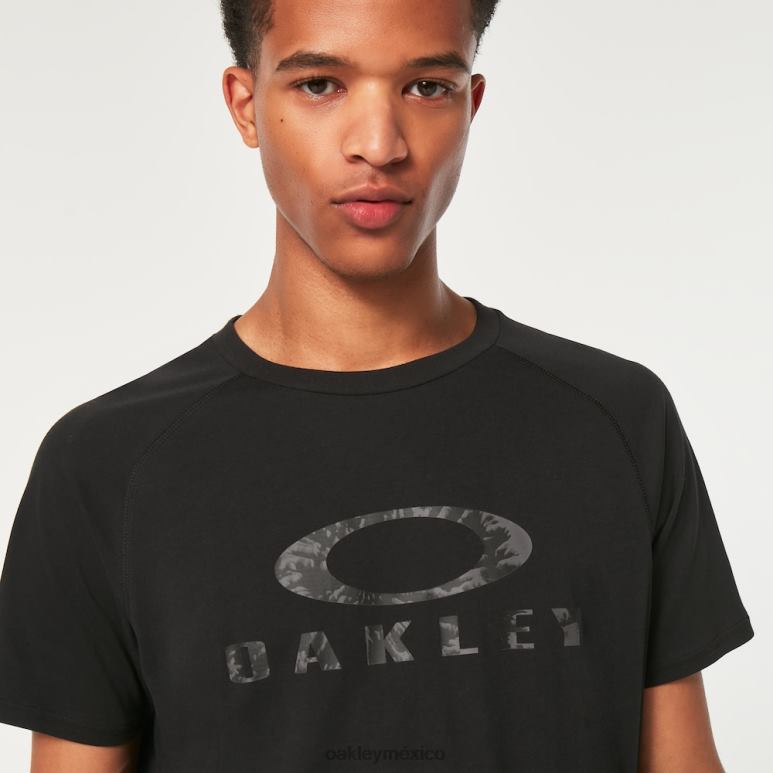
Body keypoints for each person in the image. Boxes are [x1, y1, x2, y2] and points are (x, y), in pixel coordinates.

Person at [0, 1, 754, 771]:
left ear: (470, 105)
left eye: (426, 87)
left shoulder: (615, 421)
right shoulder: (108, 465)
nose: (379, 144)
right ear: (245, 104)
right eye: (320, 84)